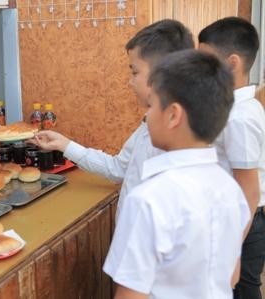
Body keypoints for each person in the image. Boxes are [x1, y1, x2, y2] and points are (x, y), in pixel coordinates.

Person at [103, 49, 250, 299]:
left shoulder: (148, 199)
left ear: (173, 115)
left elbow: (131, 295)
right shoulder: (231, 189)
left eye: (151, 105)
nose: (146, 114)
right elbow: (231, 274)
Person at [30, 19, 194, 215]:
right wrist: (65, 145)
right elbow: (119, 168)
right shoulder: (149, 123)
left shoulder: (177, 139)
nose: (129, 82)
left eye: (135, 72)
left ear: (163, 75)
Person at [198, 17, 265, 299]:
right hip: (235, 220)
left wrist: (232, 247)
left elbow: (249, 190)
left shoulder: (240, 117)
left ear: (233, 63)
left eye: (205, 61)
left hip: (244, 225)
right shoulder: (234, 109)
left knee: (243, 289)